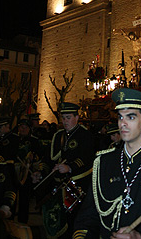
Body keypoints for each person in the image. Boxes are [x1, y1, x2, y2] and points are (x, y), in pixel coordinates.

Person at [72, 88, 141, 239]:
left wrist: (140, 237)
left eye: (131, 117)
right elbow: (88, 217)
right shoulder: (104, 161)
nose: (123, 124)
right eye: (120, 117)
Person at [42, 102, 96, 238]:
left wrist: (70, 167)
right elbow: (51, 159)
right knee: (58, 220)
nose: (65, 121)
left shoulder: (85, 135)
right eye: (63, 118)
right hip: (59, 185)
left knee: (75, 222)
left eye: (68, 117)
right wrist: (42, 171)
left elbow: (87, 158)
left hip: (78, 185)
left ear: (77, 118)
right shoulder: (59, 135)